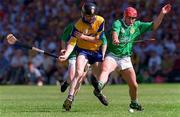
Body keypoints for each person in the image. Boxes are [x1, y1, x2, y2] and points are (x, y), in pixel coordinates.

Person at [95, 4, 171, 111]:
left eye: (133, 18)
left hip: (125, 58)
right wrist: (115, 39)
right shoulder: (118, 23)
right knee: (105, 69)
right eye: (129, 18)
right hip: (113, 55)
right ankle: (98, 88)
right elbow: (115, 33)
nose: (131, 20)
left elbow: (154, 26)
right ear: (124, 16)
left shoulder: (137, 25)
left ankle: (134, 103)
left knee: (134, 85)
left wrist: (162, 13)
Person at [59, 2, 108, 111]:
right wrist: (66, 55)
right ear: (82, 14)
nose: (90, 18)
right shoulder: (78, 25)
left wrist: (83, 36)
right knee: (79, 73)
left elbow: (98, 39)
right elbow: (72, 43)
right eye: (88, 16)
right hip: (83, 51)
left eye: (92, 16)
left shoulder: (100, 21)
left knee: (101, 78)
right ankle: (70, 98)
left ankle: (98, 92)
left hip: (96, 51)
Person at [59, 22, 89, 93]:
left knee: (79, 78)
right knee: (72, 76)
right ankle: (67, 83)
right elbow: (63, 38)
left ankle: (71, 97)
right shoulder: (72, 26)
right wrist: (64, 49)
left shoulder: (92, 27)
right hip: (73, 54)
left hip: (85, 54)